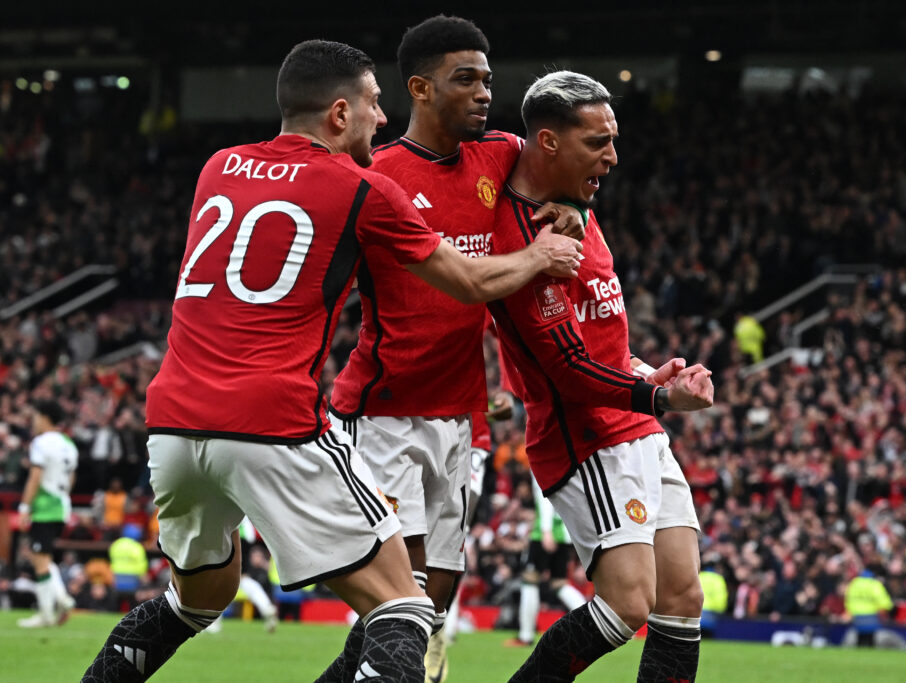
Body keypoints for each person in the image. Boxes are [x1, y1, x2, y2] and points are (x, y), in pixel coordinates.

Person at [81, 39, 581, 683]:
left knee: (196, 598)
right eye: (374, 105)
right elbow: (470, 281)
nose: (382, 118)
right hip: (271, 423)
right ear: (340, 115)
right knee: (405, 606)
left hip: (173, 425)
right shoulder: (361, 187)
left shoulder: (217, 166)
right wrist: (541, 255)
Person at [327, 16, 585, 683]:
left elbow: (568, 171)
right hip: (386, 410)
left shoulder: (499, 155)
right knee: (403, 595)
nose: (482, 93)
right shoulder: (376, 175)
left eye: (487, 80)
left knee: (432, 597)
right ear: (419, 87)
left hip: (461, 416)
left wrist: (571, 209)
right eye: (463, 79)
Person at [488, 71, 715, 682]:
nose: (613, 157)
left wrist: (645, 369)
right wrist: (660, 395)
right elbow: (568, 369)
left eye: (613, 139)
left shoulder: (577, 210)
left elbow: (604, 337)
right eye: (597, 143)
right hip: (586, 434)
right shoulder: (523, 240)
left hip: (633, 420)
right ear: (549, 142)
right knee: (627, 603)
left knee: (683, 598)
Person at [17, 399, 78, 628]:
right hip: (62, 505)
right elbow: (71, 478)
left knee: (40, 561)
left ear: (44, 417)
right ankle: (61, 600)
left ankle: (46, 614)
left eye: (35, 416)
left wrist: (25, 507)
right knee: (41, 557)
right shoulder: (68, 443)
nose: (33, 421)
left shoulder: (41, 443)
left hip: (44, 507)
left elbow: (35, 476)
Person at [505, 474, 586, 647]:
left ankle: (525, 635)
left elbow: (545, 497)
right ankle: (589, 626)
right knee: (559, 584)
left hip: (545, 532)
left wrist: (546, 530)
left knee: (529, 580)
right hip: (564, 532)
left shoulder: (541, 457)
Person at [843, 569, 894, 647]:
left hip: (857, 616)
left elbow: (848, 600)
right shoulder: (874, 584)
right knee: (870, 639)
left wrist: (851, 611)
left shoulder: (854, 584)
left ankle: (858, 651)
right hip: (872, 616)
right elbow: (885, 603)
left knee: (860, 637)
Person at [697, 564, 728, 639]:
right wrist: (721, 610)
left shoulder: (699, 576)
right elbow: (721, 597)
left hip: (697, 610)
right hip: (711, 613)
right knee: (709, 637)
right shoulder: (718, 579)